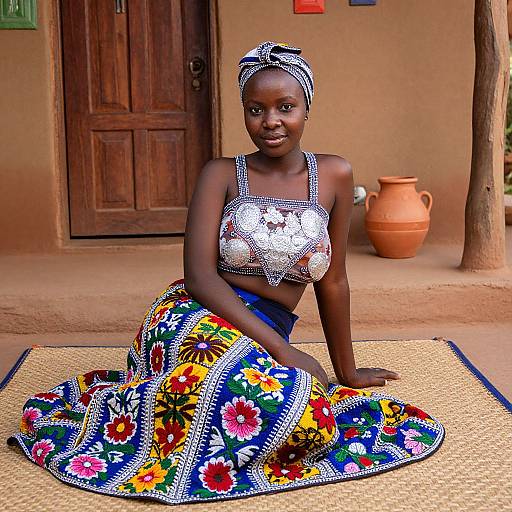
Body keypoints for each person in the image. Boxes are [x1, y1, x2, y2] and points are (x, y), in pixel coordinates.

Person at [8, 42, 444, 505]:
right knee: (239, 394)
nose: (270, 121)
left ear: (307, 107)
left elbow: (332, 280)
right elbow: (199, 277)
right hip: (195, 316)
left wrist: (347, 370)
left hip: (259, 331)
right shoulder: (220, 174)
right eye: (255, 109)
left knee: (303, 413)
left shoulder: (335, 175)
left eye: (286, 107)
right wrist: (284, 350)